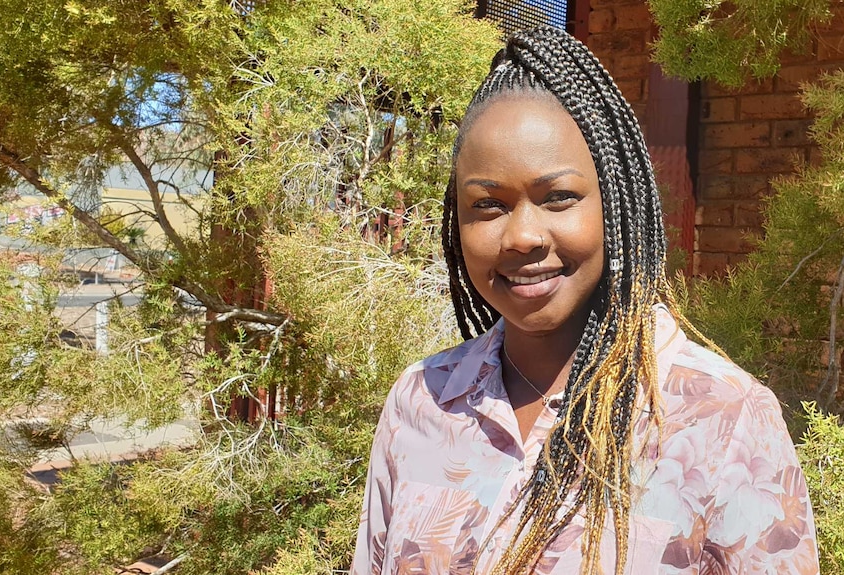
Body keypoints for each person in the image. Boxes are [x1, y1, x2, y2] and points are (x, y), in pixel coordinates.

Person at [351, 25, 819, 575]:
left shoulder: (722, 419)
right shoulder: (421, 403)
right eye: (488, 205)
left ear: (615, 204)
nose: (523, 235)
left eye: (559, 198)